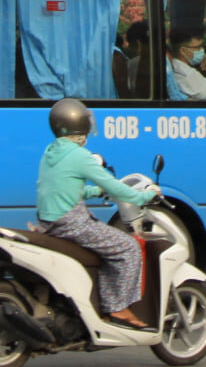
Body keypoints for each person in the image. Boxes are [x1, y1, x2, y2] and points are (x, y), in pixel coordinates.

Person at [36, 98, 158, 329]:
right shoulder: (80, 156)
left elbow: (64, 187)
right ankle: (118, 308)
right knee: (128, 248)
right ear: (79, 126)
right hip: (71, 224)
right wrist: (144, 197)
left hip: (48, 223)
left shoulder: (51, 151)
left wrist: (94, 191)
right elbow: (116, 187)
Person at [166, 29, 206, 101]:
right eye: (198, 47)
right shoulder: (186, 74)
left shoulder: (175, 66)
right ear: (183, 51)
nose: (202, 50)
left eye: (202, 46)